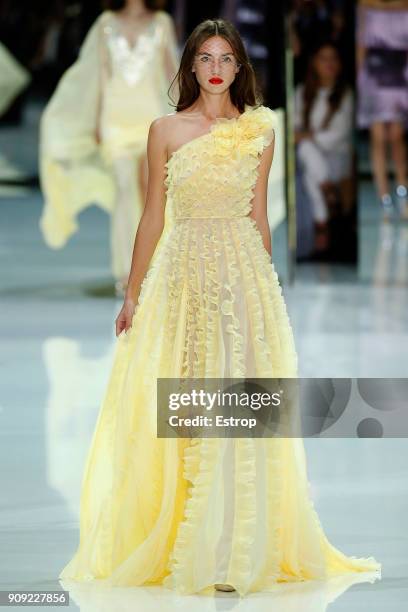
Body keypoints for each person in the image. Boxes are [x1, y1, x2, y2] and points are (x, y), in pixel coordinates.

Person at [59, 19, 381, 596]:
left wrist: (268, 288)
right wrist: (132, 291)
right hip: (181, 275)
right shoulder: (164, 130)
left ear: (239, 68)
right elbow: (153, 215)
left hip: (241, 274)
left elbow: (258, 212)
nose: (214, 67)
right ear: (188, 66)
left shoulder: (260, 129)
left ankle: (234, 546)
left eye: (225, 58)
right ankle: (191, 535)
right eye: (204, 56)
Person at [39, 0, 179, 294]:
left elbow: (171, 72)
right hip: (115, 122)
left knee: (152, 195)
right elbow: (99, 75)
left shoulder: (162, 22)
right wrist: (98, 122)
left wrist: (183, 117)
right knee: (125, 190)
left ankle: (155, 268)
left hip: (151, 118)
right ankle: (127, 273)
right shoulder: (105, 22)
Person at [295, 42, 354, 252]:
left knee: (306, 154)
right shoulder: (302, 92)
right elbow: (292, 127)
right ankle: (326, 191)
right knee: (305, 153)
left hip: (336, 157)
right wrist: (304, 137)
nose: (328, 63)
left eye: (333, 59)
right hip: (311, 157)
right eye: (323, 58)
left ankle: (321, 222)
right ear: (314, 63)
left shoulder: (346, 94)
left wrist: (308, 136)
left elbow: (339, 133)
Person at [356, 0, 408, 220]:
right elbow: (361, 45)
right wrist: (360, 80)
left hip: (402, 74)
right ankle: (384, 201)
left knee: (396, 136)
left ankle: (403, 196)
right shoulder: (365, 5)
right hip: (374, 76)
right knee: (378, 137)